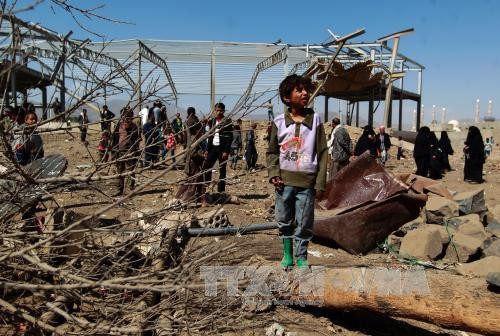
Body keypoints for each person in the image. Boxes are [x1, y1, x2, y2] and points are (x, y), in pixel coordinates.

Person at [267, 74, 328, 269]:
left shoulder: (315, 120)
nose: (305, 93)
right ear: (287, 97)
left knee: (304, 221)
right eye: (299, 90)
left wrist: (319, 182)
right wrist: (274, 173)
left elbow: (323, 152)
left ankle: (301, 257)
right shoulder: (278, 121)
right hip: (283, 182)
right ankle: (287, 254)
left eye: (306, 90)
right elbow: (272, 151)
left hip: (306, 183)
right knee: (284, 218)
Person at [175, 107, 206, 204]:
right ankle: (180, 199)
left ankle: (202, 200)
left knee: (197, 180)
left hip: (193, 161)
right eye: (199, 129)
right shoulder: (194, 138)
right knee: (191, 181)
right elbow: (193, 153)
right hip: (194, 162)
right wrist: (202, 156)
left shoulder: (187, 125)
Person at [202, 102, 233, 195]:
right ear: (214, 110)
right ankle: (206, 187)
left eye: (220, 110)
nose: (218, 112)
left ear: (223, 111)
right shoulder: (212, 121)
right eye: (217, 110)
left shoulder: (227, 121)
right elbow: (209, 137)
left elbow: (229, 137)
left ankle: (221, 191)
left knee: (222, 169)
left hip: (222, 149)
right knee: (207, 167)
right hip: (212, 148)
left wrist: (226, 151)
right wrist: (207, 150)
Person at [111, 110, 140, 196]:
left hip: (131, 152)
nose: (127, 120)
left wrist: (135, 151)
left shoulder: (134, 127)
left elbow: (137, 140)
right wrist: (113, 152)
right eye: (125, 117)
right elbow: (115, 140)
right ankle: (120, 189)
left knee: (131, 170)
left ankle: (131, 189)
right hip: (120, 151)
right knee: (120, 171)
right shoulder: (118, 126)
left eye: (129, 117)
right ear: (122, 117)